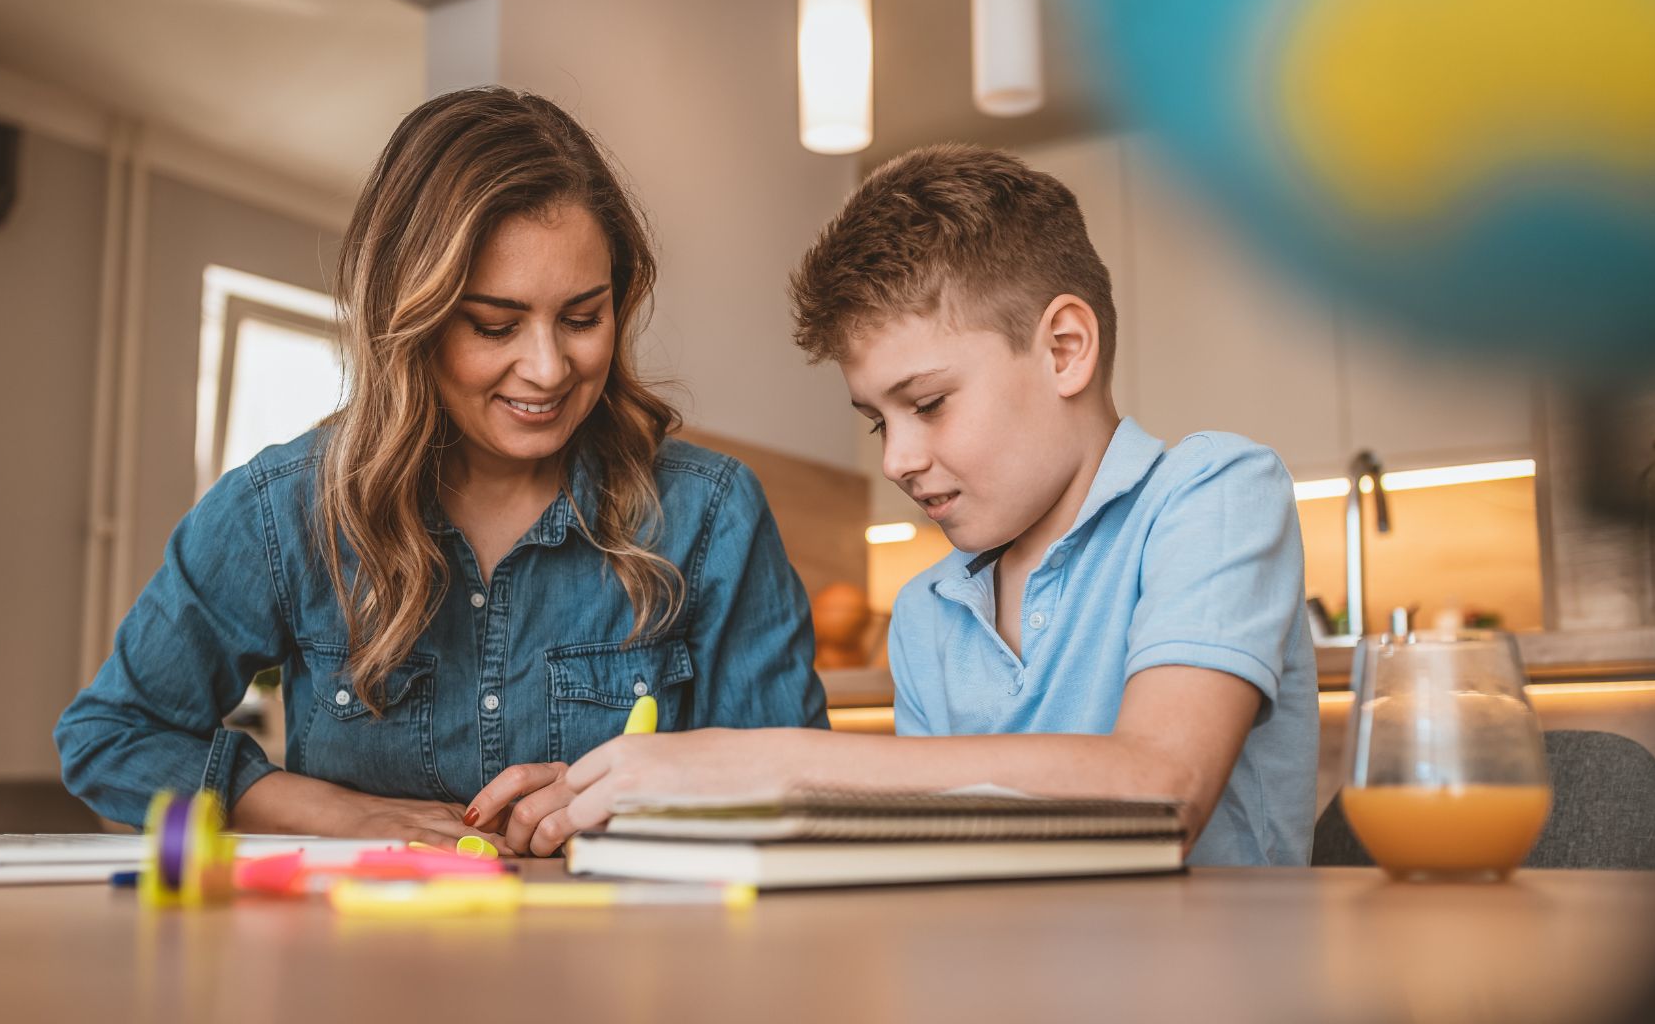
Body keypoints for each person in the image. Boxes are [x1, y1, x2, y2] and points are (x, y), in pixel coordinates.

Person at [55, 88, 826, 851]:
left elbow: (805, 794)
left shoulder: (710, 514)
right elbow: (111, 737)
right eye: (496, 325)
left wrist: (646, 795)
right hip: (360, 963)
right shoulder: (282, 509)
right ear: (410, 320)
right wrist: (338, 814)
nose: (548, 368)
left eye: (583, 318)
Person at [500, 144, 1316, 864]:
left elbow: (1162, 788)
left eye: (927, 404)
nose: (896, 459)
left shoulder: (1213, 493)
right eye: (876, 421)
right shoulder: (930, 611)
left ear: (1065, 349)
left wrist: (773, 761)